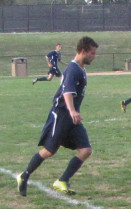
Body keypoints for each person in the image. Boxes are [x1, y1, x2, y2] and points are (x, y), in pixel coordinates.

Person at [17, 37, 98, 196]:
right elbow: (67, 92)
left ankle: (62, 181)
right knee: (49, 151)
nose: (94, 56)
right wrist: (73, 110)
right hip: (62, 114)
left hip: (71, 117)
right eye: (92, 53)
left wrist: (73, 113)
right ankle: (24, 175)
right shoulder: (73, 69)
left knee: (86, 150)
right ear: (83, 51)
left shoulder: (80, 68)